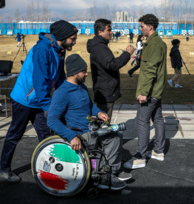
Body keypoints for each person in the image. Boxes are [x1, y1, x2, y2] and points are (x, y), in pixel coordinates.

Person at [0, 20, 78, 183]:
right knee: (15, 134)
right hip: (24, 99)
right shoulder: (42, 49)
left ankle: (50, 170)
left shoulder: (60, 50)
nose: (74, 42)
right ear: (63, 36)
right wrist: (48, 106)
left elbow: (60, 77)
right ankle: (3, 169)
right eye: (73, 38)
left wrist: (66, 97)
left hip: (40, 100)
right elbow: (40, 80)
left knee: (46, 136)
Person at [47, 54, 131, 190]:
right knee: (112, 138)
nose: (87, 74)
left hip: (90, 128)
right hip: (79, 134)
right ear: (74, 72)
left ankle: (111, 171)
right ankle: (104, 176)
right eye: (84, 71)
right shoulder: (61, 93)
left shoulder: (82, 88)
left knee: (116, 134)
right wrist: (71, 136)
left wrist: (98, 112)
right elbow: (51, 120)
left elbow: (90, 105)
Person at [123, 14, 167, 170]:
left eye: (141, 26)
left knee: (142, 121)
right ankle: (158, 151)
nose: (139, 29)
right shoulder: (155, 42)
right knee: (158, 119)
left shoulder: (154, 44)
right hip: (156, 90)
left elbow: (150, 70)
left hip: (150, 91)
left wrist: (144, 92)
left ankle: (140, 157)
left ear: (150, 26)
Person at [87, 19, 134, 124]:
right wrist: (127, 53)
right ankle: (101, 140)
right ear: (100, 32)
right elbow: (112, 65)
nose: (111, 32)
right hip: (105, 92)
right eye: (109, 30)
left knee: (101, 123)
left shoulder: (100, 45)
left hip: (105, 89)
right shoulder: (99, 47)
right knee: (103, 124)